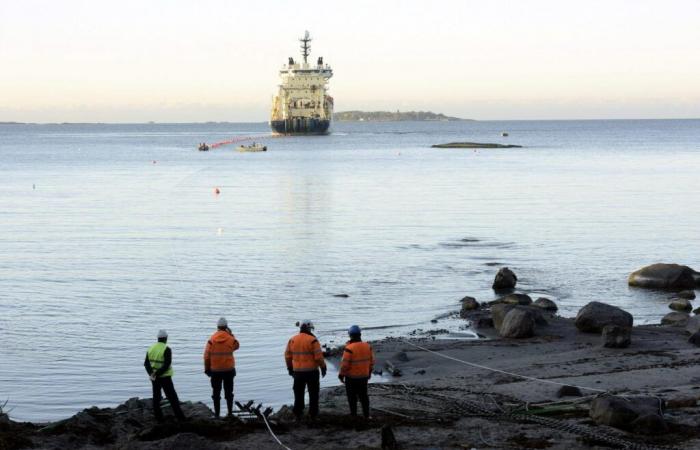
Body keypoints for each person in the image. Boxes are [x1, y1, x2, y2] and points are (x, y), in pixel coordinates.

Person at [284, 319, 327, 420]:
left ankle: (298, 413)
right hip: (312, 372)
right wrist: (323, 367)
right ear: (309, 328)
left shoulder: (292, 340)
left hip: (298, 373)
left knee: (298, 393)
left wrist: (290, 368)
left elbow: (287, 356)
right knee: (313, 394)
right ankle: (313, 414)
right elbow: (319, 357)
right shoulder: (313, 340)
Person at [144, 329, 186, 421]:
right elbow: (167, 364)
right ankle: (181, 418)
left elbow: (146, 363)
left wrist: (152, 373)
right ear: (166, 338)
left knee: (156, 397)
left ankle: (158, 418)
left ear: (158, 338)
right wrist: (157, 373)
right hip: (165, 377)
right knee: (173, 398)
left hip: (154, 378)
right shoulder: (166, 349)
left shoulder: (151, 348)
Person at [203, 317, 240, 418]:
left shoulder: (211, 340)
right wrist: (231, 334)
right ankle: (230, 413)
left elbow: (206, 356)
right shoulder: (230, 339)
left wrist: (207, 369)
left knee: (216, 393)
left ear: (217, 327)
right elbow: (237, 346)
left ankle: (217, 415)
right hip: (229, 370)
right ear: (226, 327)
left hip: (215, 371)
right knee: (229, 393)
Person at [338, 325, 374, 418]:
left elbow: (345, 365)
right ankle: (366, 415)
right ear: (360, 334)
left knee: (352, 397)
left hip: (351, 378)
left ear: (350, 335)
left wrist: (341, 375)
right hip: (364, 377)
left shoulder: (349, 348)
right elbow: (372, 361)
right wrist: (369, 372)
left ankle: (353, 415)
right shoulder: (368, 346)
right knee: (364, 396)